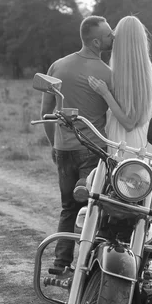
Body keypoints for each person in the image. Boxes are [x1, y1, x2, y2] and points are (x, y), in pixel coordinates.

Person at [41, 15, 114, 275]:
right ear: (96, 42)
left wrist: (54, 143)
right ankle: (88, 264)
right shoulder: (107, 74)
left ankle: (61, 262)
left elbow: (46, 111)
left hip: (64, 149)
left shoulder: (57, 66)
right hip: (93, 150)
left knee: (68, 207)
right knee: (91, 208)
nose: (113, 36)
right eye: (108, 35)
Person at [87, 15, 152, 156]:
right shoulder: (144, 72)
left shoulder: (122, 75)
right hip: (141, 139)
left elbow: (129, 124)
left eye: (115, 35)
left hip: (124, 141)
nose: (113, 38)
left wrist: (105, 93)